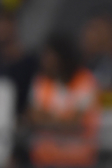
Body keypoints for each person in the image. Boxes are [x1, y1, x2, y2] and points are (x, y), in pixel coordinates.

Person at [27, 32, 100, 168]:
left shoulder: (84, 80)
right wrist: (63, 119)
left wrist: (48, 118)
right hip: (44, 160)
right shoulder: (42, 81)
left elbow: (76, 123)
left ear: (61, 56)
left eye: (48, 55)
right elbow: (34, 118)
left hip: (77, 161)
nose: (44, 59)